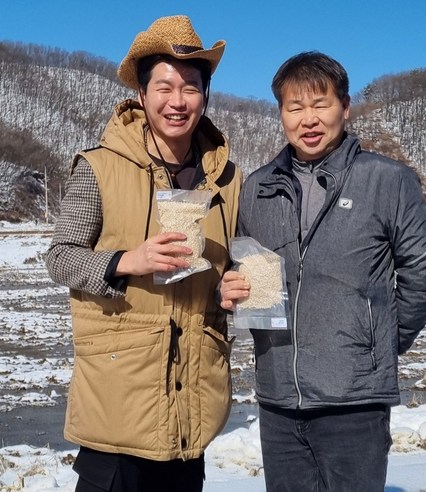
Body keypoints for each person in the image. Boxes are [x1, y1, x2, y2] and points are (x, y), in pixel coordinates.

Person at [219, 51, 426, 492]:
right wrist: (228, 290)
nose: (309, 119)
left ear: (344, 107)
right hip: (278, 398)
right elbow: (243, 272)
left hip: (354, 402)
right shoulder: (258, 188)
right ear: (281, 113)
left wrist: (380, 341)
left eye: (320, 104)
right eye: (295, 107)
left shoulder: (386, 180)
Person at [46, 15, 242, 492]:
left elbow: (231, 265)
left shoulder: (227, 179)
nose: (177, 101)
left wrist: (232, 284)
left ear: (206, 94)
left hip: (192, 403)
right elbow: (59, 257)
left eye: (191, 87)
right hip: (120, 400)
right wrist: (125, 261)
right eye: (165, 86)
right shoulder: (100, 167)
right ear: (141, 93)